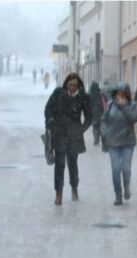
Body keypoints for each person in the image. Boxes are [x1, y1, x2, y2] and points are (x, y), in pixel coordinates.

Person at [44, 72, 92, 206]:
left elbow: (89, 117)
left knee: (72, 164)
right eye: (70, 84)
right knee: (59, 165)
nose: (72, 87)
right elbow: (48, 109)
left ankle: (74, 187)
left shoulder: (83, 97)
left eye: (75, 85)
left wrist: (81, 129)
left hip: (74, 136)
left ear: (78, 85)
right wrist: (51, 122)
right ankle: (58, 193)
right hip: (59, 135)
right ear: (66, 84)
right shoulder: (58, 94)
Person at [101, 82, 137, 206]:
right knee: (116, 169)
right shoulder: (110, 105)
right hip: (113, 142)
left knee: (126, 168)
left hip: (127, 142)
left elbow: (133, 118)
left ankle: (126, 184)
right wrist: (105, 133)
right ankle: (118, 194)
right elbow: (103, 120)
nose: (119, 97)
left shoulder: (133, 105)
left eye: (122, 94)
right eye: (118, 94)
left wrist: (124, 107)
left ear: (127, 95)